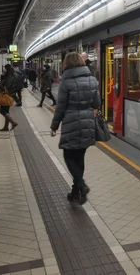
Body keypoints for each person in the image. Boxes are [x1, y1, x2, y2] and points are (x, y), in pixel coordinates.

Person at [50, 52, 101, 204]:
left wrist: (54, 126)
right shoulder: (92, 80)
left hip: (71, 122)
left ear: (67, 64)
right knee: (79, 157)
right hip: (88, 122)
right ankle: (76, 193)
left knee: (69, 156)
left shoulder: (65, 82)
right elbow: (97, 104)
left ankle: (81, 185)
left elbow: (60, 107)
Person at [0, 64, 18, 131]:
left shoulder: (9, 76)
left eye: (5, 69)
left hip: (7, 95)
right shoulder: (13, 74)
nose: (4, 70)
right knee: (6, 111)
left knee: (2, 111)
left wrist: (2, 85)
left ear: (7, 69)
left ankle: (13, 122)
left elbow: (8, 85)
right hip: (11, 94)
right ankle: (6, 127)